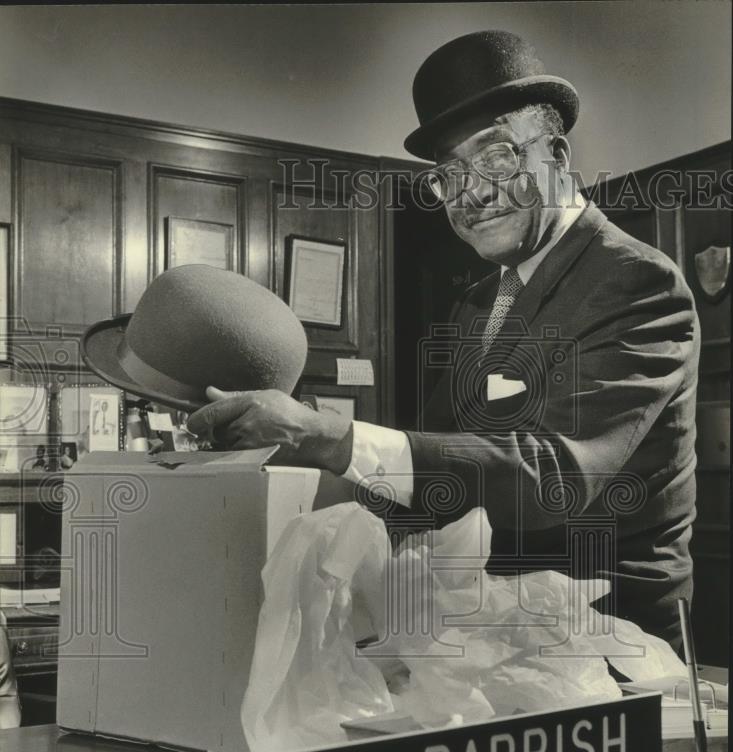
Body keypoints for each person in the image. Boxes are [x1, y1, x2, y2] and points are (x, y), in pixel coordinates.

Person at [187, 30, 700, 651]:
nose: (472, 193)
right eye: (448, 175)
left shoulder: (635, 280)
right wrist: (280, 472)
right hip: (490, 635)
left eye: (497, 157)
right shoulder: (481, 301)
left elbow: (555, 477)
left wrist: (317, 434)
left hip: (609, 647)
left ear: (558, 155)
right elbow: (427, 476)